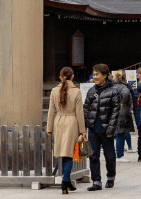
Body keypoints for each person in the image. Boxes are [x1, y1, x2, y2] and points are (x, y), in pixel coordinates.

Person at [82, 63, 130, 190]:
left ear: (105, 75)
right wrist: (87, 124)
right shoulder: (91, 91)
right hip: (93, 129)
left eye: (97, 74)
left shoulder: (113, 91)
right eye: (94, 74)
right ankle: (96, 181)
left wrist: (111, 128)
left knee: (109, 155)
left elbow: (115, 112)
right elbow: (85, 109)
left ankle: (110, 177)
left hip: (106, 129)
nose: (95, 77)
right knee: (93, 155)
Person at [47, 67, 86, 195]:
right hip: (72, 122)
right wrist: (82, 130)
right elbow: (80, 112)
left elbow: (51, 111)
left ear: (60, 77)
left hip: (59, 121)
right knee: (69, 153)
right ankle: (65, 182)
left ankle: (67, 182)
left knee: (64, 153)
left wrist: (49, 128)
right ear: (72, 77)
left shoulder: (54, 91)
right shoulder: (76, 91)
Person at [112, 70, 136, 160]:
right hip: (122, 111)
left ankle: (119, 154)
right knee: (120, 133)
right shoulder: (123, 86)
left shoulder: (113, 86)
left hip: (115, 111)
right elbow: (126, 94)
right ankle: (119, 155)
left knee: (118, 133)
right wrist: (122, 103)